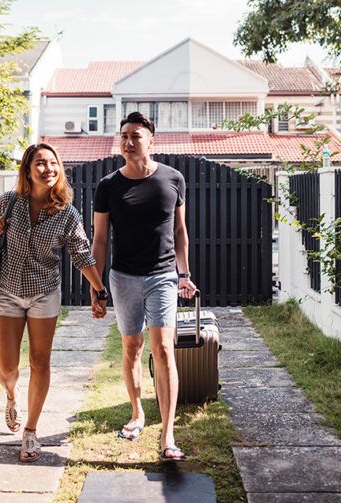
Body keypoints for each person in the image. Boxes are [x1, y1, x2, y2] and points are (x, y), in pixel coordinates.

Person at [0, 143, 108, 463]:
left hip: (44, 293)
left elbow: (82, 253)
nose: (48, 169)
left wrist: (99, 289)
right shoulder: (10, 202)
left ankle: (31, 431)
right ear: (28, 170)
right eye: (40, 163)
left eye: (53, 163)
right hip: (7, 291)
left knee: (40, 362)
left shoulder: (66, 212)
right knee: (8, 367)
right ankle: (11, 394)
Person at [91, 111, 198, 462]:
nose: (128, 141)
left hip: (164, 275)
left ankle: (167, 435)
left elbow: (179, 231)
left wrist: (184, 273)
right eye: (123, 135)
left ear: (152, 140)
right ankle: (137, 413)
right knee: (132, 348)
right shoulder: (108, 186)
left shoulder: (173, 179)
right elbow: (100, 239)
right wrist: (96, 284)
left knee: (164, 349)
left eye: (136, 135)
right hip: (123, 277)